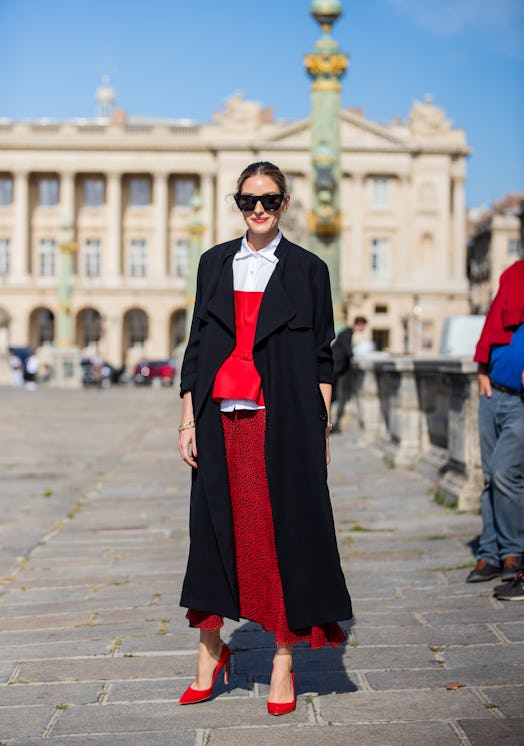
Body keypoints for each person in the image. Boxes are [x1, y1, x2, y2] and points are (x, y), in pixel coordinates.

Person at [177, 161, 352, 715]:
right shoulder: (213, 263)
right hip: (218, 417)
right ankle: (210, 652)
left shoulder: (308, 269)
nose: (258, 210)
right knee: (212, 534)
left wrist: (319, 429)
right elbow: (196, 348)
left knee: (280, 536)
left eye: (269, 200)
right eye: (248, 201)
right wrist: (186, 419)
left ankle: (282, 660)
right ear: (236, 203)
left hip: (281, 423)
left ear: (285, 203)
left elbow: (323, 358)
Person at [466, 259, 524, 584]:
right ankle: (489, 553)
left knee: (505, 474)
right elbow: (493, 325)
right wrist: (481, 368)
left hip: (520, 401)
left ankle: (514, 551)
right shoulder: (513, 275)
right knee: (490, 477)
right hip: (492, 393)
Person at [331, 316, 367, 433]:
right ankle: (333, 424)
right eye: (363, 326)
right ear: (359, 324)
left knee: (335, 397)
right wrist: (353, 356)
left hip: (338, 368)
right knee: (337, 396)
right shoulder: (347, 333)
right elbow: (347, 351)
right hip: (338, 369)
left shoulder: (346, 333)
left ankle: (333, 423)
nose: (363, 329)